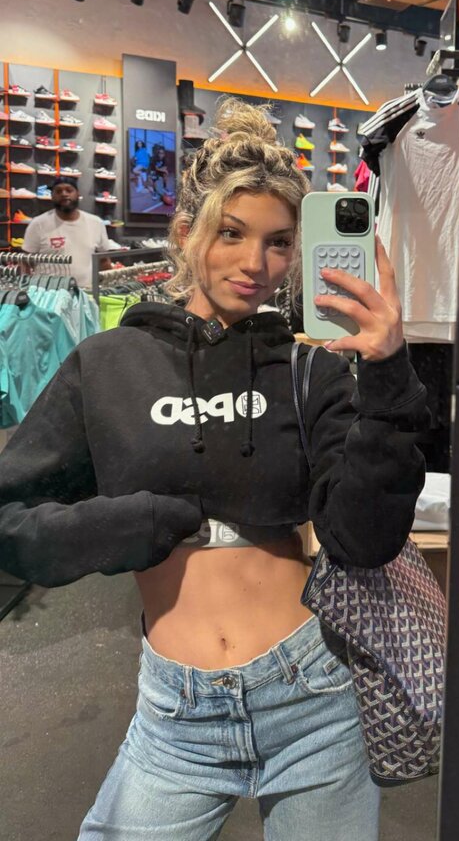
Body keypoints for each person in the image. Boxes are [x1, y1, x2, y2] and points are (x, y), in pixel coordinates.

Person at [0, 100, 429, 841]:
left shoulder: (309, 369)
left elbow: (365, 540)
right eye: (231, 233)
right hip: (176, 717)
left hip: (312, 696)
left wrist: (387, 371)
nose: (255, 264)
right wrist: (128, 526)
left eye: (278, 242)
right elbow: (9, 520)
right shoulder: (107, 365)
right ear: (184, 233)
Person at [22, 176, 115, 289]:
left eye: (69, 190)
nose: (64, 194)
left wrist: (111, 287)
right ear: (52, 196)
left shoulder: (96, 223)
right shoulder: (38, 224)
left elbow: (104, 261)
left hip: (85, 292)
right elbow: (26, 262)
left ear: (78, 194)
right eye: (58, 191)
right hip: (49, 293)